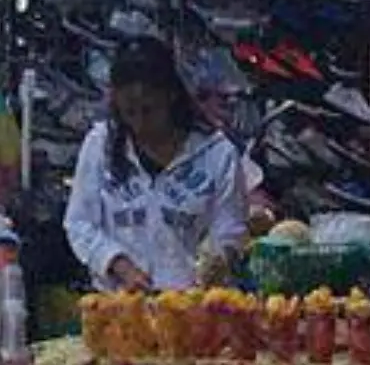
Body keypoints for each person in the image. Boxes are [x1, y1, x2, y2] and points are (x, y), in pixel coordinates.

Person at [64, 37, 249, 292]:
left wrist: (215, 265)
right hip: (119, 306)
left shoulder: (218, 155)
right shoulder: (100, 145)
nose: (139, 123)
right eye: (130, 112)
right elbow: (80, 223)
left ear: (171, 96)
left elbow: (230, 230)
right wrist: (120, 265)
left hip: (190, 307)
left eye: (149, 110)